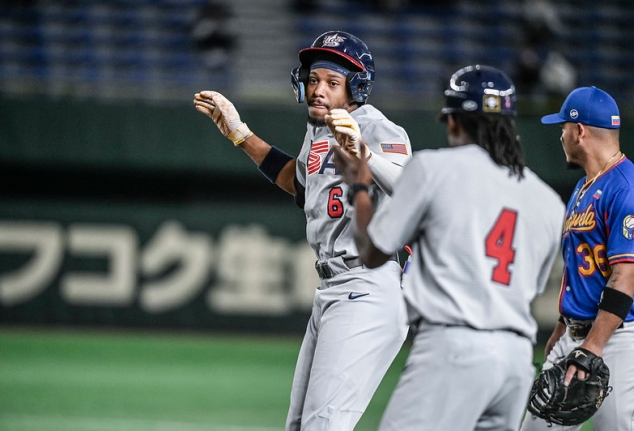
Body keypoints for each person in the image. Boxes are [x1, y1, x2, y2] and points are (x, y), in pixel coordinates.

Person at [193, 31, 413, 431]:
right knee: (300, 426)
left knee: (323, 426)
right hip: (333, 289)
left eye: (332, 82)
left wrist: (364, 153)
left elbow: (412, 189)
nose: (318, 90)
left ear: (357, 86)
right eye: (313, 79)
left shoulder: (378, 128)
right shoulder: (318, 130)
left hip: (368, 286)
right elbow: (297, 181)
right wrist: (240, 135)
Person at [331, 64, 565, 431]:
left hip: (452, 348)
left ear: (454, 121)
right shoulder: (550, 201)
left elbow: (373, 251)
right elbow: (533, 287)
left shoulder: (433, 168)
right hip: (517, 360)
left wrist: (360, 185)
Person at [520, 87, 634, 431]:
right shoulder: (584, 187)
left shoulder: (625, 187)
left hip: (616, 338)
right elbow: (581, 274)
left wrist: (592, 346)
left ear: (579, 131)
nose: (561, 136)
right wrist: (562, 326)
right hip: (576, 334)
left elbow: (625, 277)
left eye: (562, 128)